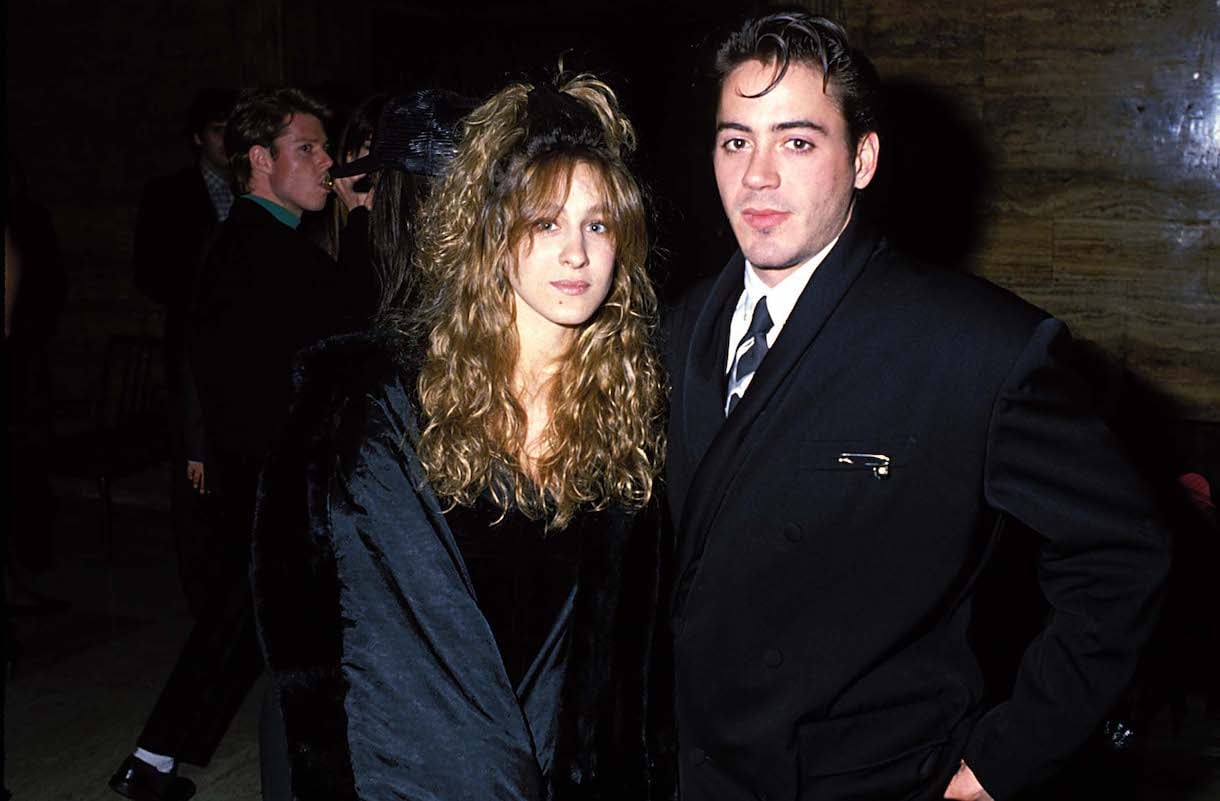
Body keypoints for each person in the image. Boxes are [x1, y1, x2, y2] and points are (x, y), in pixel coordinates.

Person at [663, 12, 1170, 801]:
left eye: (797, 142)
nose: (757, 176)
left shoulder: (976, 348)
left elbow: (1124, 554)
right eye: (736, 141)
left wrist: (1007, 757)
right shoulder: (677, 325)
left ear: (862, 158)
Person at [251, 74, 674, 800]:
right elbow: (300, 630)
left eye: (599, 224)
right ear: (491, 232)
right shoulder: (370, 404)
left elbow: (633, 668)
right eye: (545, 222)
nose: (576, 252)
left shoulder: (631, 411)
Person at [110, 87, 357, 801]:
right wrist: (366, 220)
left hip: (264, 473)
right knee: (267, 631)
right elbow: (356, 318)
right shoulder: (263, 248)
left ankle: (150, 761)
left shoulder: (258, 241)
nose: (326, 162)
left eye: (324, 147)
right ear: (260, 159)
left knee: (240, 622)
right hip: (278, 478)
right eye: (307, 148)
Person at [132, 87, 237, 615]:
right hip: (191, 341)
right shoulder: (169, 194)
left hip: (242, 343)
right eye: (218, 130)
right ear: (198, 137)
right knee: (193, 460)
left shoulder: (253, 186)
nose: (227, 141)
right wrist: (201, 287)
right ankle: (203, 590)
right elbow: (149, 271)